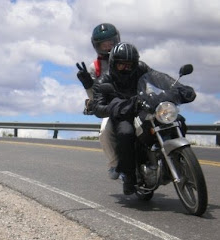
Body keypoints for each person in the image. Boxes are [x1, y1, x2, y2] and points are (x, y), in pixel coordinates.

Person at [92, 42, 196, 195]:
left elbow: (159, 78)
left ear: (135, 63)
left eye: (130, 65)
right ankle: (129, 175)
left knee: (177, 119)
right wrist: (115, 107)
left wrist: (180, 88)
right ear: (114, 64)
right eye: (121, 65)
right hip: (123, 113)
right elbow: (97, 108)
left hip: (144, 106)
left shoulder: (140, 68)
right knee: (126, 133)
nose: (126, 68)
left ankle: (178, 157)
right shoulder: (104, 81)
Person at [76, 23, 121, 179]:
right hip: (110, 107)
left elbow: (142, 78)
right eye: (104, 43)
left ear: (117, 40)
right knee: (104, 132)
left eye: (111, 41)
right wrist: (88, 84)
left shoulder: (128, 56)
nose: (108, 45)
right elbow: (94, 98)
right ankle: (114, 164)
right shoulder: (94, 67)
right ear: (97, 45)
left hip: (132, 101)